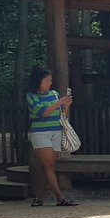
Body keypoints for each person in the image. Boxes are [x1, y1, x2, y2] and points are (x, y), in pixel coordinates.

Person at [24, 65, 78, 207]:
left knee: (47, 167)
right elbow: (43, 113)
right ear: (38, 81)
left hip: (56, 131)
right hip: (40, 133)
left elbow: (61, 114)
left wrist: (66, 106)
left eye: (50, 80)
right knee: (50, 165)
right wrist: (60, 102)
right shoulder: (31, 96)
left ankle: (38, 197)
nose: (50, 83)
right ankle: (60, 198)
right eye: (46, 80)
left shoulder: (53, 94)